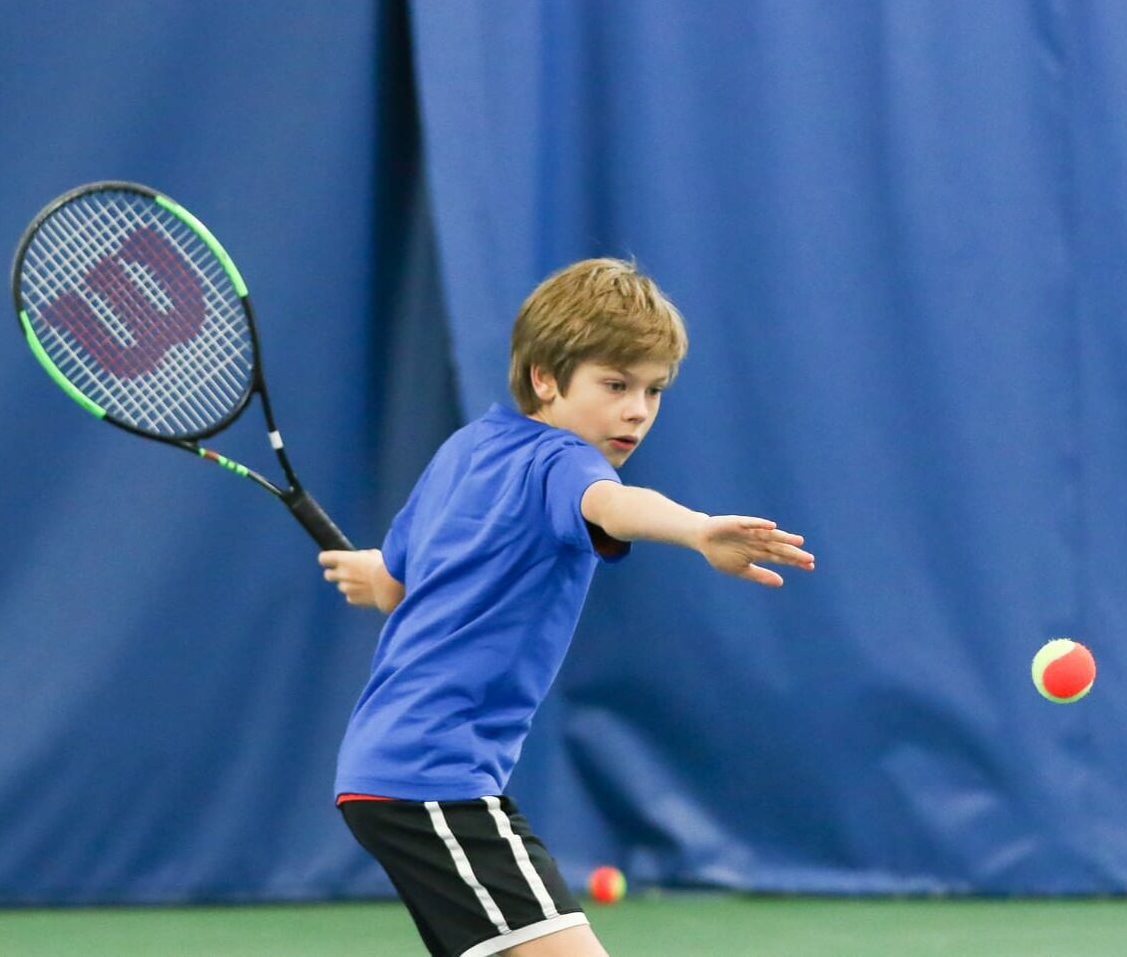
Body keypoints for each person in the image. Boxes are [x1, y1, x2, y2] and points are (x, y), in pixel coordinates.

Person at [320, 258, 815, 957]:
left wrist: (373, 571)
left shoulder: (464, 451)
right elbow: (612, 504)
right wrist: (698, 529)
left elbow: (399, 584)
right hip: (433, 775)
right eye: (615, 384)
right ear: (544, 378)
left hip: (386, 771)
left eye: (652, 389)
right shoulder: (565, 461)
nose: (637, 409)